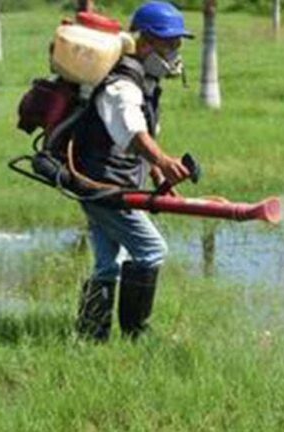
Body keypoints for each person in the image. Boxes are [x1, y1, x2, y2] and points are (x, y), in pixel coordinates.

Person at [74, 1, 194, 341]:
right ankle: (136, 334)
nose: (175, 50)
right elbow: (133, 133)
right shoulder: (122, 84)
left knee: (108, 263)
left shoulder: (146, 81)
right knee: (152, 250)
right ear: (145, 41)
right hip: (104, 185)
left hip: (108, 182)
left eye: (178, 43)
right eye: (169, 43)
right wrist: (164, 161)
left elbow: (143, 134)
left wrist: (156, 173)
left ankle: (90, 337)